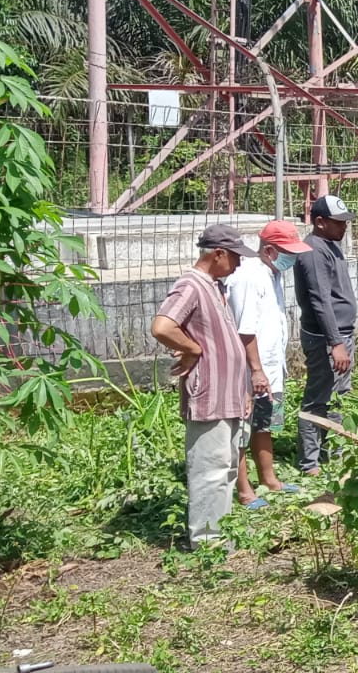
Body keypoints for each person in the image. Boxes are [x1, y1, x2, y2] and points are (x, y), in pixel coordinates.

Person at [149, 224, 259, 549]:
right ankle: (207, 545)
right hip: (209, 394)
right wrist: (193, 349)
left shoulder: (213, 286)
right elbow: (162, 326)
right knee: (209, 469)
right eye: (235, 257)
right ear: (218, 254)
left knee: (224, 468)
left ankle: (219, 536)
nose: (238, 264)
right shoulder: (192, 284)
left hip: (228, 396)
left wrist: (243, 389)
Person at [225, 220, 312, 508]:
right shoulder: (249, 276)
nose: (294, 259)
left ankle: (269, 478)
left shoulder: (271, 274)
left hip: (272, 370)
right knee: (242, 428)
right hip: (251, 370)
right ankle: (244, 489)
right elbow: (245, 330)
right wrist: (256, 370)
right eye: (289, 252)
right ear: (271, 250)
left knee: (266, 424)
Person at [294, 194, 358, 475]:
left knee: (338, 396)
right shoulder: (313, 250)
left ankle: (332, 454)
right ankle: (309, 463)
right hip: (326, 339)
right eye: (339, 222)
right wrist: (335, 342)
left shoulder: (330, 245)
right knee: (318, 398)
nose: (344, 227)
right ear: (320, 222)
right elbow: (320, 299)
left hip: (340, 336)